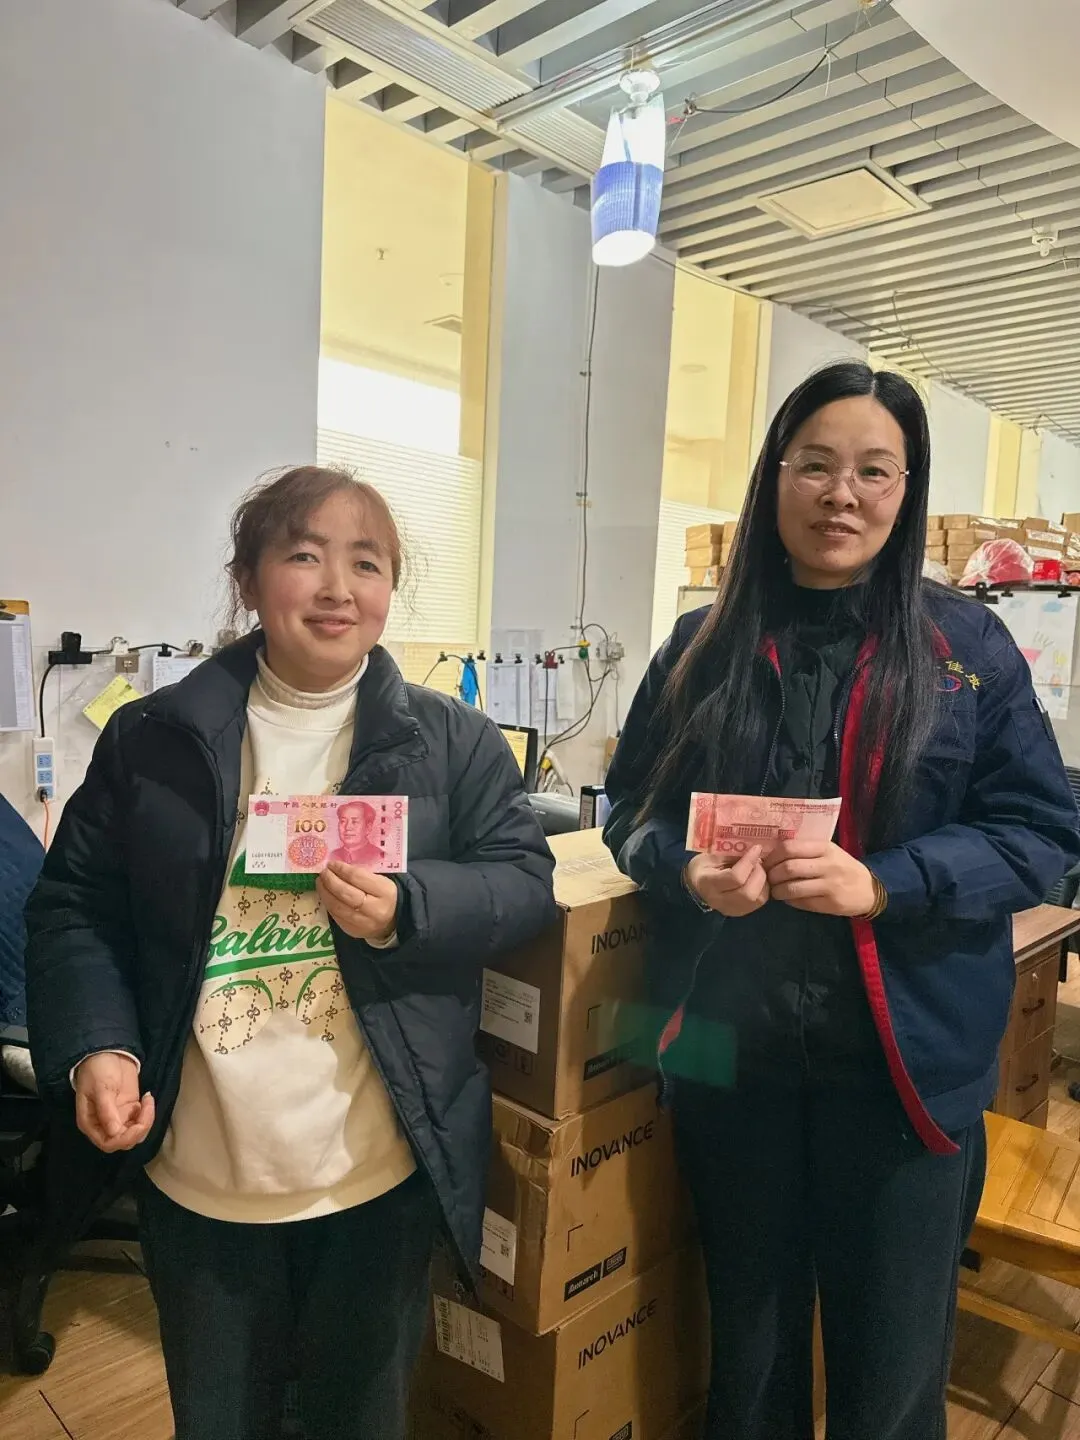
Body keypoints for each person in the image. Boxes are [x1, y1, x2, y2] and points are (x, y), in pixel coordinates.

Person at [25, 465, 557, 1440]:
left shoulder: (454, 742)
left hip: (378, 1173)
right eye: (304, 556)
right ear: (248, 578)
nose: (337, 588)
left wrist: (409, 907)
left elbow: (525, 880)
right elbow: (75, 908)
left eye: (368, 563)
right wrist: (99, 1042)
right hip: (201, 1173)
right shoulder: (155, 739)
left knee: (361, 1420)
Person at [604, 362, 1080, 1440]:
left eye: (874, 470)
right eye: (815, 464)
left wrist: (887, 883)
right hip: (732, 1066)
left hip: (903, 1075)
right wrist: (688, 871)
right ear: (775, 476)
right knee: (751, 1356)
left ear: (907, 490)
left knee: (891, 1377)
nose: (841, 494)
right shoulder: (701, 647)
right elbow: (631, 810)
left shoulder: (966, 650)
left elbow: (1044, 836)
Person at [329, 798, 385, 868]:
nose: (347, 827)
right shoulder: (332, 855)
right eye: (343, 821)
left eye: (354, 822)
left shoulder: (380, 857)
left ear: (368, 828)